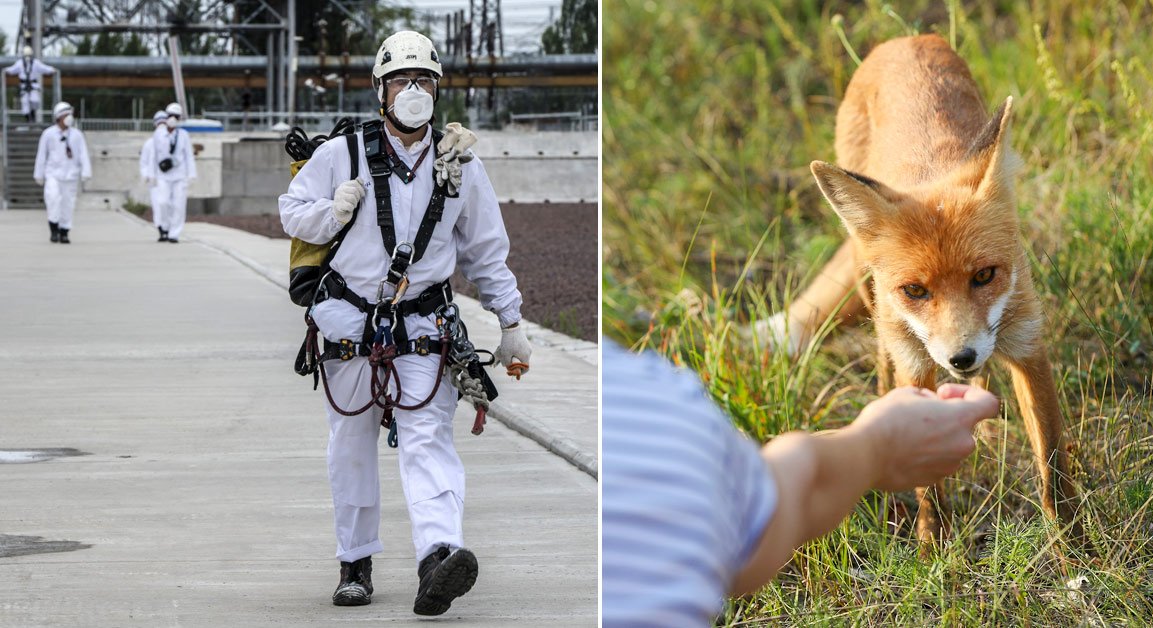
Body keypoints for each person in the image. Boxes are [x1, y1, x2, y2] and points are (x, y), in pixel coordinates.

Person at [278, 30, 533, 614]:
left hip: (423, 326)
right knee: (351, 443)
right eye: (401, 81)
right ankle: (356, 562)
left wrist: (511, 321)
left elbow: (485, 252)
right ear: (380, 90)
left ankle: (438, 558)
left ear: (437, 91)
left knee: (427, 438)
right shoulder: (341, 154)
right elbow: (291, 212)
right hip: (347, 324)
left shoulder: (460, 164)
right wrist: (331, 209)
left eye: (423, 81)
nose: (412, 90)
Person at [601, 340, 999, 626]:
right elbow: (771, 513)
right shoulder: (656, 401)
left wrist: (880, 443)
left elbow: (760, 521)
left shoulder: (651, 403)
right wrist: (878, 444)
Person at [33, 102, 91, 244]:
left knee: (68, 204)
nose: (69, 117)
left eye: (70, 114)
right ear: (59, 117)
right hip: (53, 174)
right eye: (66, 115)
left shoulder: (77, 135)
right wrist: (38, 174)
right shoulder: (48, 134)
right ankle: (54, 229)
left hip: (70, 176)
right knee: (52, 200)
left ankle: (64, 232)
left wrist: (86, 172)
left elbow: (84, 154)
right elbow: (41, 155)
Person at [151, 102, 196, 243]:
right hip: (163, 175)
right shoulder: (158, 134)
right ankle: (164, 226)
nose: (173, 119)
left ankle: (174, 233)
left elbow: (189, 155)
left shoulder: (183, 135)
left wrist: (191, 174)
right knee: (163, 202)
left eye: (176, 116)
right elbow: (154, 155)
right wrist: (152, 174)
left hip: (180, 176)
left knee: (179, 205)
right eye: (171, 116)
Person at [139, 110, 170, 241]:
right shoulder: (149, 143)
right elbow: (144, 162)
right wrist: (146, 175)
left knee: (168, 204)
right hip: (154, 179)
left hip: (169, 179)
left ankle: (169, 228)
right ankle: (161, 229)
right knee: (158, 205)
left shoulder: (171, 141)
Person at [4, 46, 56, 123]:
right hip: (24, 86)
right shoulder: (19, 63)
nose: (27, 58)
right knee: (25, 102)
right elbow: (12, 69)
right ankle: (28, 118)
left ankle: (33, 113)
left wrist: (52, 69)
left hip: (33, 85)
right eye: (26, 56)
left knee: (35, 100)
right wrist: (5, 70)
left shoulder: (36, 63)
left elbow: (44, 68)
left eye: (29, 55)